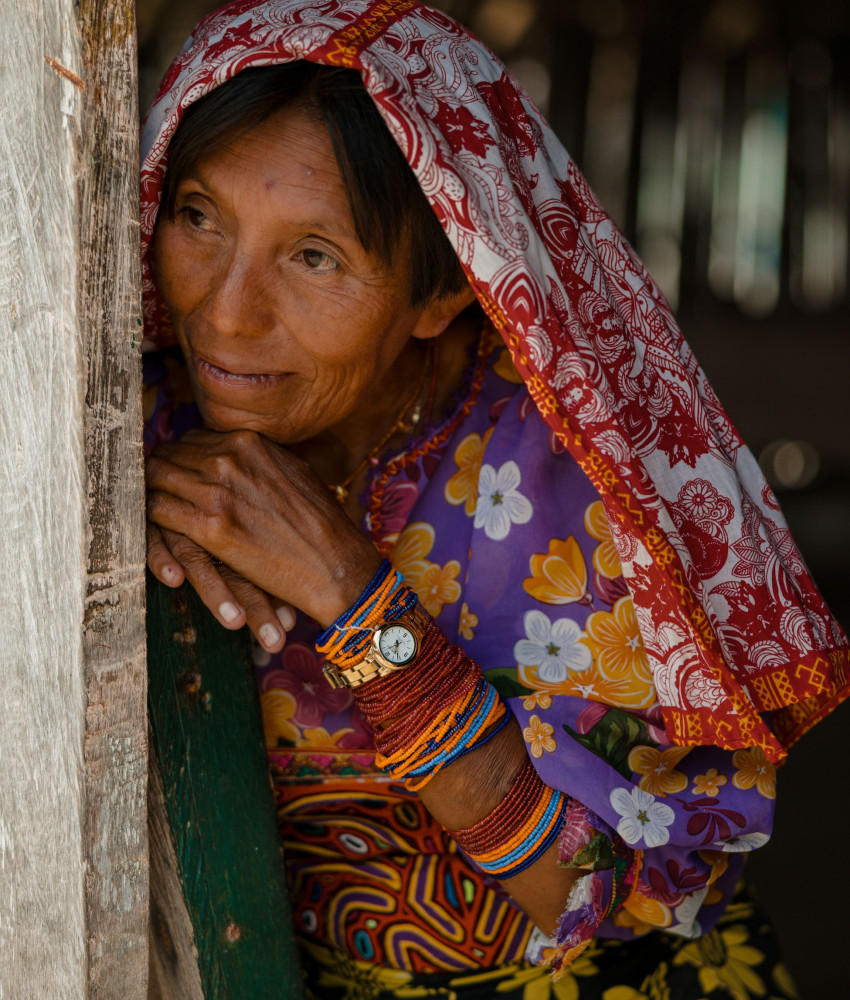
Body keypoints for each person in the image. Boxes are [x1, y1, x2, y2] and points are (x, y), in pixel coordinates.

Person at [141, 1, 849, 996]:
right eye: (198, 216)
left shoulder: (578, 481)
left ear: (445, 289)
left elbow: (586, 890)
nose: (223, 311)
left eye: (314, 256)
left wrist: (355, 598)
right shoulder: (128, 418)